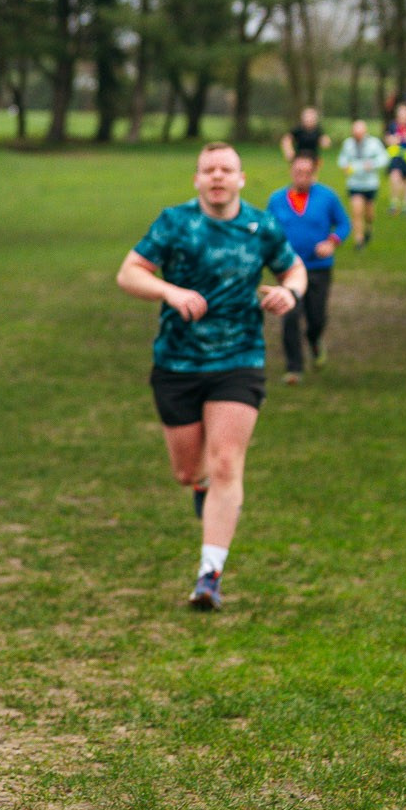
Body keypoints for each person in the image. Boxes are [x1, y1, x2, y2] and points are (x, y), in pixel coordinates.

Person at [117, 142, 306, 611]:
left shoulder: (261, 225)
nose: (218, 176)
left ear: (241, 178)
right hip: (177, 364)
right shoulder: (175, 223)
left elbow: (295, 268)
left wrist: (290, 293)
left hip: (239, 360)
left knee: (226, 463)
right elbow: (129, 273)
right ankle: (199, 487)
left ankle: (210, 577)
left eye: (227, 169)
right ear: (197, 180)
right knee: (188, 471)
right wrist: (170, 291)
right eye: (209, 170)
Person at [265, 150, 350, 384]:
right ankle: (294, 368)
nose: (302, 177)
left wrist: (332, 242)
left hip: (319, 268)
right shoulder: (277, 200)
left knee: (316, 318)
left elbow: (343, 224)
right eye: (297, 172)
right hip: (289, 269)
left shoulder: (327, 197)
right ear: (291, 172)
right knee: (290, 316)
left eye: (307, 173)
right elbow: (267, 230)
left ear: (314, 173)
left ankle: (315, 339)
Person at [338, 119, 388, 249]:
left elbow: (384, 158)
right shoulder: (348, 144)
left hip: (370, 184)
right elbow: (342, 159)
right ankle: (358, 239)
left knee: (369, 213)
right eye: (355, 132)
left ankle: (369, 228)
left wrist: (372, 165)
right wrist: (345, 166)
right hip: (354, 183)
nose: (357, 134)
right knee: (356, 211)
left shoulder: (374, 143)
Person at [384, 102, 406, 215]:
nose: (402, 115)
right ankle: (394, 203)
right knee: (394, 177)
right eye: (401, 112)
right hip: (396, 157)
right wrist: (394, 140)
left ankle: (405, 205)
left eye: (405, 112)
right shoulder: (393, 125)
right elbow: (387, 139)